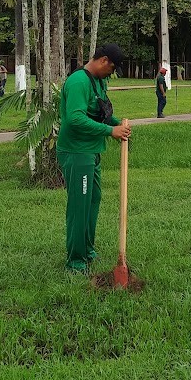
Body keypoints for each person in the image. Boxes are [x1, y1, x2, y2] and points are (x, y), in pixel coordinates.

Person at [57, 43, 132, 275]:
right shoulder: (78, 82)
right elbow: (75, 119)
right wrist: (110, 131)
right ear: (103, 60)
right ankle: (76, 261)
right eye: (112, 68)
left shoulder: (97, 81)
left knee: (92, 200)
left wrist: (117, 124)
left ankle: (87, 249)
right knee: (80, 206)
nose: (112, 73)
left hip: (91, 151)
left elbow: (100, 112)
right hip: (77, 152)